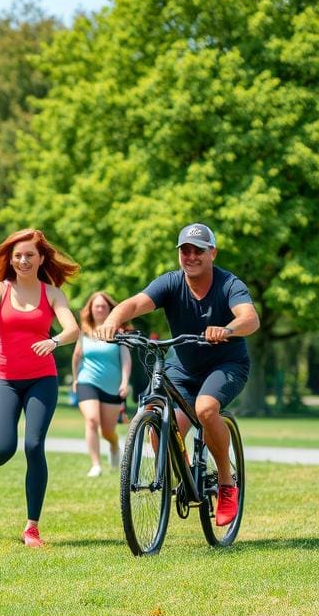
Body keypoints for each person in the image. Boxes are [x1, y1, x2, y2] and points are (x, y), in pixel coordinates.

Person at [96, 223, 260, 527]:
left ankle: (226, 483)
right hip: (182, 367)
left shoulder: (228, 284)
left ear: (213, 252)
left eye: (199, 250)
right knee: (158, 426)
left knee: (206, 409)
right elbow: (134, 303)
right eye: (185, 250)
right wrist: (113, 321)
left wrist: (227, 330)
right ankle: (187, 479)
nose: (191, 256)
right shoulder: (170, 283)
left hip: (226, 364)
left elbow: (250, 319)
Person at [0, 229, 80, 548]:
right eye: (18, 255)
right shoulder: (0, 289)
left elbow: (73, 329)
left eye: (30, 255)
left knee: (34, 446)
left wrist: (53, 341)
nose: (23, 260)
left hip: (42, 379)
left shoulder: (52, 294)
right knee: (5, 447)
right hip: (4, 378)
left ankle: (32, 527)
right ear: (11, 259)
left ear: (41, 259)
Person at [71, 292, 131, 477]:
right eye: (96, 306)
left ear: (110, 309)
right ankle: (96, 465)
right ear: (90, 309)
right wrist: (75, 378)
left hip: (112, 386)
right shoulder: (84, 332)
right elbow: (76, 357)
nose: (99, 309)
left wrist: (124, 382)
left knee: (107, 431)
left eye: (103, 306)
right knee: (91, 420)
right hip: (87, 381)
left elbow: (126, 358)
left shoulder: (119, 333)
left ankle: (113, 445)